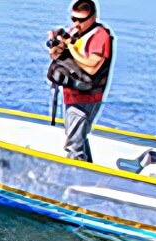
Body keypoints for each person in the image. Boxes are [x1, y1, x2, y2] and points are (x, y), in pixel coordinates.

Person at [47, 1, 114, 162]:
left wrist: (71, 47)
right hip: (72, 94)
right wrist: (55, 45)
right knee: (78, 138)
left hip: (86, 98)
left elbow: (92, 67)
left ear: (93, 17)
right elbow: (58, 57)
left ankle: (76, 178)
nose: (77, 24)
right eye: (73, 19)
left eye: (81, 20)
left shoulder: (100, 36)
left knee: (73, 146)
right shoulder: (74, 34)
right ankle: (91, 173)